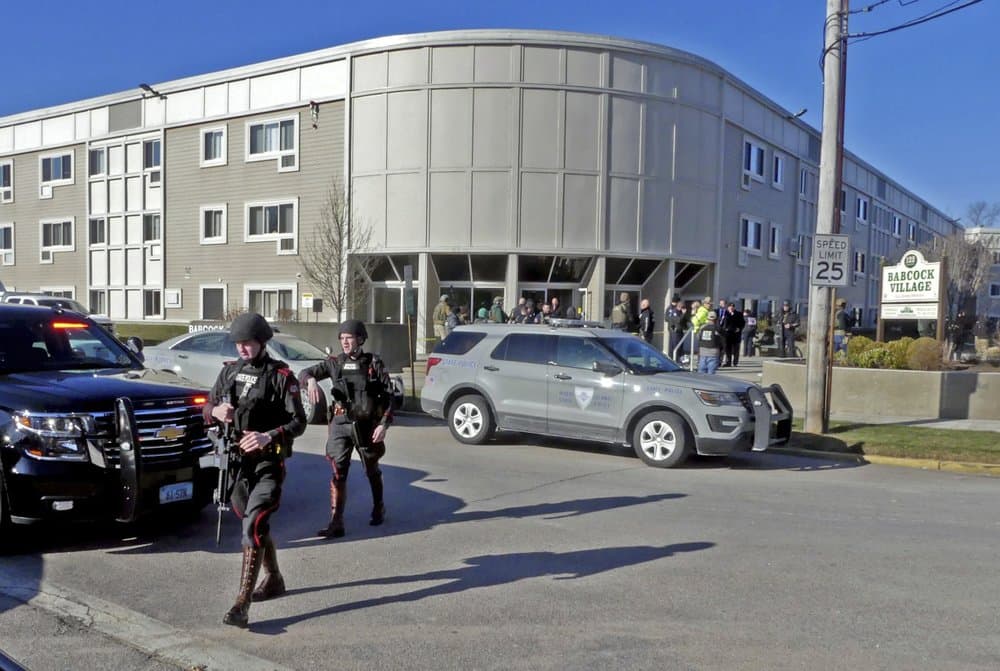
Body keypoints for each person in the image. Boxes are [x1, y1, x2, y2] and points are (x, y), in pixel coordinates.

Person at [202, 312, 307, 629]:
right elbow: (207, 406)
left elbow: (298, 422)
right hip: (236, 465)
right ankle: (273, 577)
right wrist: (216, 411)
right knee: (254, 524)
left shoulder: (281, 376)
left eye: (247, 343)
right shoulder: (230, 372)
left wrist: (268, 435)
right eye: (238, 344)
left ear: (262, 342)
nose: (242, 349)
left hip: (267, 463)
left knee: (253, 525)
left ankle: (241, 604)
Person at [299, 320, 395, 540]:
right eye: (342, 338)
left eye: (349, 338)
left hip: (367, 425)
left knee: (371, 468)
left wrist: (384, 424)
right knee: (338, 471)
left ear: (360, 340)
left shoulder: (373, 363)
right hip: (341, 424)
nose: (345, 342)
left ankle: (379, 506)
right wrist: (311, 381)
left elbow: (391, 397)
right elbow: (304, 372)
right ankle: (336, 522)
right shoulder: (334, 363)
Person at [721, 302, 745, 367]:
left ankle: (735, 362)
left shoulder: (739, 314)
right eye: (730, 306)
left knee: (736, 349)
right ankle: (728, 362)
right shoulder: (725, 313)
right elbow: (722, 323)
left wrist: (739, 328)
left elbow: (742, 323)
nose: (731, 307)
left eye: (733, 306)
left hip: (736, 334)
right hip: (727, 334)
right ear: (728, 307)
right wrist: (724, 329)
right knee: (728, 349)